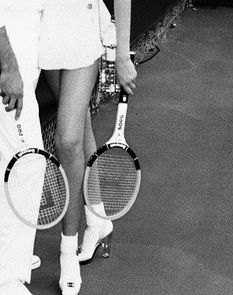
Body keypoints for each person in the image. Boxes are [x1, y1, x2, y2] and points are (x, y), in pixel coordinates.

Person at [39, 0, 137, 294]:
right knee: (80, 130)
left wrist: (122, 54)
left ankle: (67, 251)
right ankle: (97, 219)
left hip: (83, 27)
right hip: (43, 29)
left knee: (67, 141)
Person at [0, 1, 46, 294]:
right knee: (28, 164)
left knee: (11, 162)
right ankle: (8, 278)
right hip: (9, 59)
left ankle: (10, 259)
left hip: (22, 56)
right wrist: (8, 64)